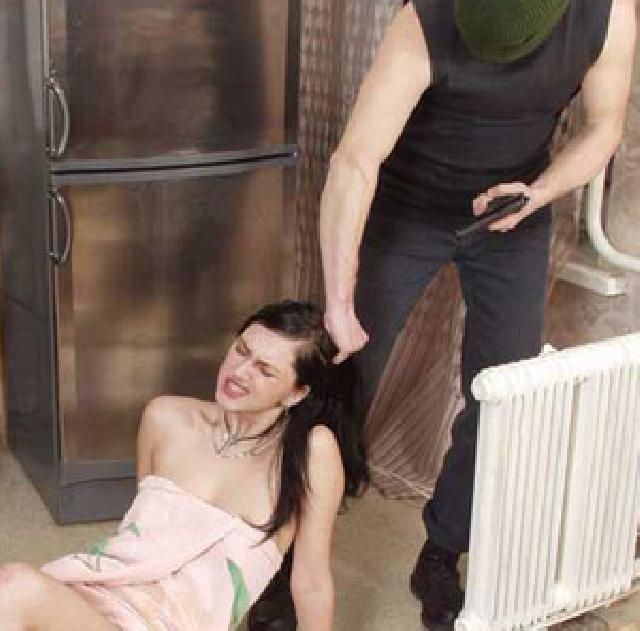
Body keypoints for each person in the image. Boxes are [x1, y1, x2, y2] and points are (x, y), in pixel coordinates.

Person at [249, 0, 637, 629]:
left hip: (511, 213)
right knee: (340, 381)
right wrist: (340, 304)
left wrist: (539, 192)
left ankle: (442, 550)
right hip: (407, 208)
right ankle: (287, 553)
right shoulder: (424, 17)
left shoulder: (609, 14)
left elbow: (603, 129)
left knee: (502, 396)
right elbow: (354, 161)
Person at [0, 301, 368, 631]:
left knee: (16, 586)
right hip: (97, 597)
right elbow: (140, 532)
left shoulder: (311, 453)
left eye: (265, 370)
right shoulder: (166, 417)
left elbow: (311, 582)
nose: (239, 371)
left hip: (167, 622)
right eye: (241, 350)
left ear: (297, 393)